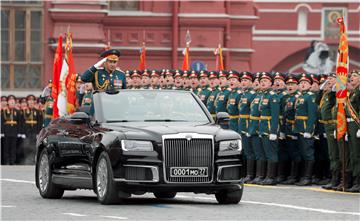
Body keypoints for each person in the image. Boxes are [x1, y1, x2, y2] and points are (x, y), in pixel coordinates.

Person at [294, 73, 318, 186]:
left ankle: (308, 177)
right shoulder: (301, 96)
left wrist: (309, 130)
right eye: (301, 83)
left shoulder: (310, 96)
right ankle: (303, 176)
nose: (303, 84)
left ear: (310, 85)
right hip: (299, 128)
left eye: (305, 83)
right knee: (302, 152)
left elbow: (312, 115)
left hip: (305, 128)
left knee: (308, 153)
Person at [258, 72, 280, 185]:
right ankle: (264, 176)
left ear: (271, 83)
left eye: (265, 81)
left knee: (271, 153)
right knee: (264, 152)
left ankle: (271, 177)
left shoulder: (273, 96)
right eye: (261, 81)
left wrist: (273, 131)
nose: (262, 83)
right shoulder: (264, 95)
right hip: (263, 127)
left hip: (269, 128)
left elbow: (275, 116)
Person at [282, 74, 302, 184]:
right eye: (288, 84)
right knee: (290, 151)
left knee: (295, 152)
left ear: (297, 86)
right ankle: (290, 175)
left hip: (295, 127)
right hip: (288, 127)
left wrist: (295, 129)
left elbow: (297, 115)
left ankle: (296, 176)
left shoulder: (298, 98)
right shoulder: (288, 97)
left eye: (293, 84)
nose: (290, 86)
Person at [238, 72, 257, 183]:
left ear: (251, 82)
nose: (244, 82)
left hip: (248, 125)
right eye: (242, 80)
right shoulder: (243, 94)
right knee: (243, 151)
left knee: (249, 151)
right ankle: (244, 173)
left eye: (246, 80)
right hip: (240, 124)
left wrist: (250, 128)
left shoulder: (252, 95)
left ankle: (251, 174)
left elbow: (253, 114)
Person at [346, 70, 360, 192]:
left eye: (355, 76)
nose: (352, 78)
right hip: (350, 125)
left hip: (356, 124)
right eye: (351, 76)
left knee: (357, 154)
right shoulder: (352, 93)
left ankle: (358, 182)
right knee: (352, 154)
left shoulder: (358, 92)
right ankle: (354, 181)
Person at [2, 95, 22, 165]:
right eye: (11, 103)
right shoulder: (4, 111)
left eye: (13, 103)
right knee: (6, 147)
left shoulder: (17, 111)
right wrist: (2, 131)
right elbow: (2, 122)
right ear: (8, 103)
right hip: (6, 131)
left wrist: (19, 132)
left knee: (13, 147)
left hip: (14, 131)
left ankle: (12, 161)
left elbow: (20, 122)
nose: (12, 104)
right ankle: (6, 161)